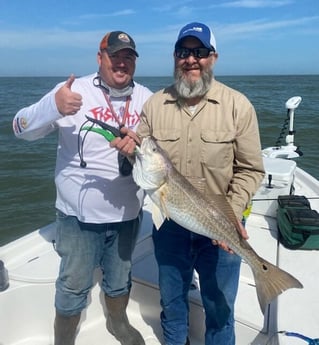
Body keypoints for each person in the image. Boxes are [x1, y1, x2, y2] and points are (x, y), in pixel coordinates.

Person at [112, 22, 265, 345]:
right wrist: (128, 150)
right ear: (175, 57)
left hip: (222, 228)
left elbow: (251, 170)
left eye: (200, 52)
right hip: (170, 227)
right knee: (172, 305)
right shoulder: (154, 105)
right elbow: (141, 158)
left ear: (214, 57)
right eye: (184, 52)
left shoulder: (239, 106)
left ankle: (265, 277)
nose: (191, 60)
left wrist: (232, 213)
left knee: (220, 312)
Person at [13, 30, 152, 345]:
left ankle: (117, 323)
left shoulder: (147, 99)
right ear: (99, 57)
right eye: (114, 55)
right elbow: (19, 128)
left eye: (128, 57)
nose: (121, 62)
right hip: (78, 218)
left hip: (128, 215)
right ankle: (64, 339)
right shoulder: (72, 91)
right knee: (73, 286)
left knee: (119, 280)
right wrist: (52, 106)